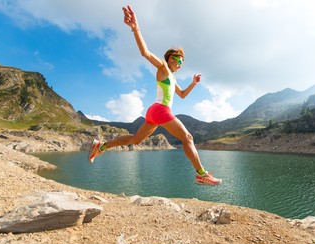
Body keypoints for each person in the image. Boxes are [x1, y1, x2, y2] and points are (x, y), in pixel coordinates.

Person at [88, 5, 222, 186]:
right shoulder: (164, 68)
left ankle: (100, 146)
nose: (181, 64)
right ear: (171, 59)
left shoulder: (172, 78)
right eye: (180, 60)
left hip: (154, 113)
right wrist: (136, 28)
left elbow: (182, 95)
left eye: (183, 62)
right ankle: (202, 174)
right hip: (160, 110)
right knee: (188, 138)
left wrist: (194, 83)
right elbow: (145, 52)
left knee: (135, 140)